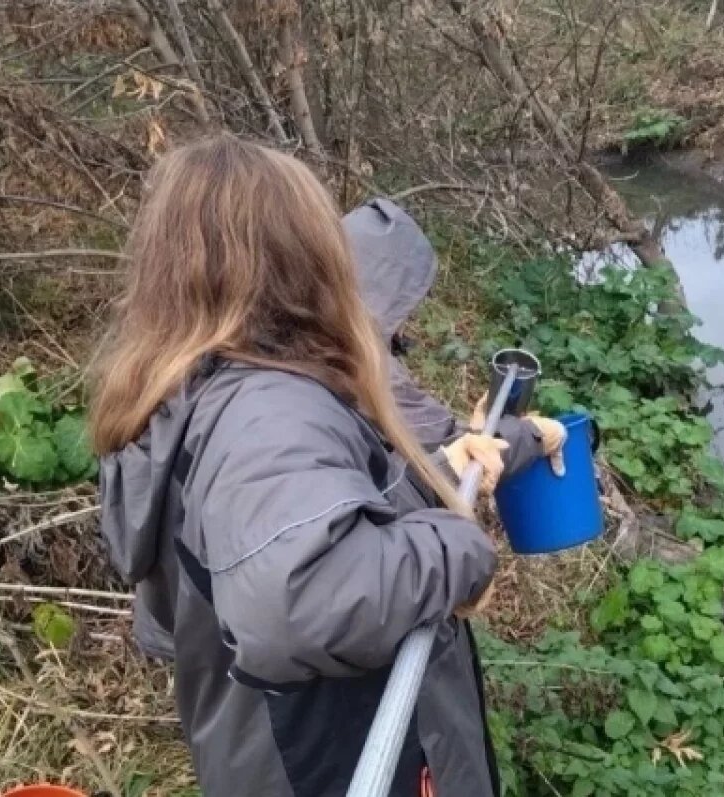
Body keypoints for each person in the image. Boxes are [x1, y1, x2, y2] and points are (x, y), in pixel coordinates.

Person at [90, 134, 566, 797]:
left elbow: (273, 538)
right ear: (299, 255)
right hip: (336, 761)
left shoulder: (184, 395)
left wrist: (446, 469)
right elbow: (297, 599)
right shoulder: (264, 409)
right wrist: (455, 547)